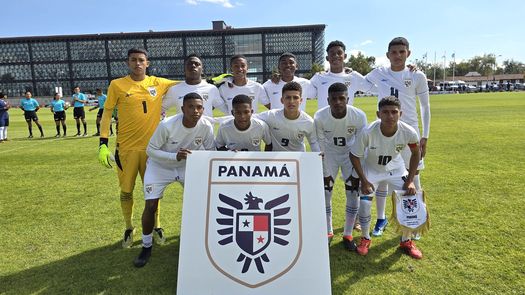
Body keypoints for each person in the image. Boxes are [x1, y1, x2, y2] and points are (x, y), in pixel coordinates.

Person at [97, 48, 179, 248]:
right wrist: (103, 143)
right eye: (133, 60)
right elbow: (107, 114)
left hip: (153, 150)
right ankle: (128, 227)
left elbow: (187, 83)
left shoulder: (158, 83)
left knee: (153, 190)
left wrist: (212, 81)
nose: (137, 63)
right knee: (126, 190)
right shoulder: (117, 85)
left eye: (141, 60)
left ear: (147, 63)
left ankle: (157, 226)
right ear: (128, 63)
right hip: (126, 149)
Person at [134, 92, 215, 267]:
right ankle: (146, 246)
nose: (195, 110)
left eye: (199, 107)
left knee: (199, 204)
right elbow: (150, 150)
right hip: (159, 167)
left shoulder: (206, 126)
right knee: (151, 205)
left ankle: (197, 242)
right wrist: (174, 157)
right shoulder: (167, 125)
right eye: (191, 107)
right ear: (182, 108)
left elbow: (211, 151)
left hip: (186, 166)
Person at [364, 37, 430, 237]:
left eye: (402, 52)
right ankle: (381, 219)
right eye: (394, 52)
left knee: (413, 177)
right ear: (387, 55)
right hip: (386, 131)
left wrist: (425, 136)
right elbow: (359, 82)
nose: (398, 56)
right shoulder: (379, 73)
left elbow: (425, 106)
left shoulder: (416, 74)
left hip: (409, 133)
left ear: (408, 53)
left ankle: (415, 221)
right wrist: (347, 73)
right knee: (383, 175)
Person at [350, 96, 423, 259]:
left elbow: (416, 153)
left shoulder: (408, 132)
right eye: (385, 112)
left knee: (408, 200)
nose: (390, 116)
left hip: (396, 169)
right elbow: (354, 156)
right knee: (364, 204)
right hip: (372, 170)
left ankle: (406, 240)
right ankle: (365, 238)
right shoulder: (368, 132)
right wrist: (364, 180)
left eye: (394, 112)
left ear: (400, 114)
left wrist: (410, 180)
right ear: (378, 114)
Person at [314, 82, 368, 249]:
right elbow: (320, 146)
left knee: (352, 193)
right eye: (334, 99)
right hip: (330, 155)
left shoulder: (359, 116)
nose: (338, 102)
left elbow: (361, 146)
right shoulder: (320, 116)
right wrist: (324, 169)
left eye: (341, 98)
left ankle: (348, 233)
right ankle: (328, 231)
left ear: (348, 99)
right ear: (328, 100)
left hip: (350, 155)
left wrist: (357, 169)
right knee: (325, 192)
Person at [257, 81, 319, 152]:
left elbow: (313, 142)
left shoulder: (308, 121)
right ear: (282, 100)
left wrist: (318, 155)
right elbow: (251, 118)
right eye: (288, 97)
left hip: (297, 160)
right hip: (276, 160)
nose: (291, 101)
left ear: (301, 100)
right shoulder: (271, 115)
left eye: (295, 98)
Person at [310, 40, 373, 110]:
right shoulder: (319, 77)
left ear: (345, 56)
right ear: (327, 58)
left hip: (346, 120)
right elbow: (303, 89)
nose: (336, 56)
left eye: (339, 53)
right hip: (324, 120)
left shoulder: (354, 76)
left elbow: (375, 88)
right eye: (332, 54)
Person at [162, 54, 228, 118]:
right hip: (184, 129)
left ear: (202, 70)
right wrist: (163, 120)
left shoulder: (212, 89)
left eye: (197, 64)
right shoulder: (174, 89)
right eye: (189, 64)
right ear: (184, 70)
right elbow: (160, 108)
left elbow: (226, 110)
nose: (193, 66)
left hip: (206, 129)